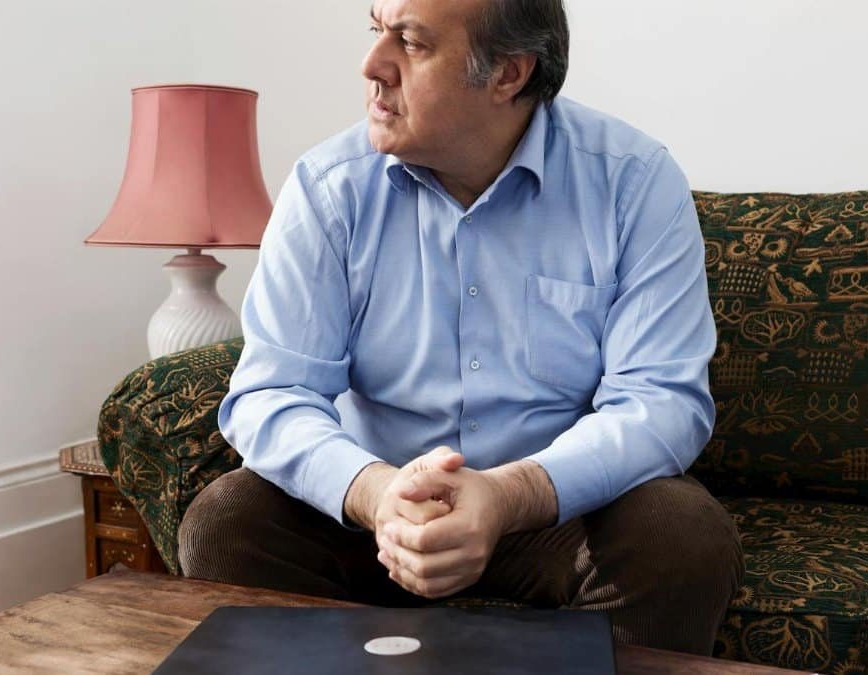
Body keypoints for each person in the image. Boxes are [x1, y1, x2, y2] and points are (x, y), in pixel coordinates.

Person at [179, 0, 744, 654]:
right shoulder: (328, 187)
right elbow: (271, 393)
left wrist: (506, 496)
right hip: (377, 508)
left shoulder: (633, 182)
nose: (372, 65)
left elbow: (662, 402)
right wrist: (378, 493)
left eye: (411, 43)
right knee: (227, 519)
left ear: (508, 74)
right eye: (376, 31)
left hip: (555, 508)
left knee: (680, 533)